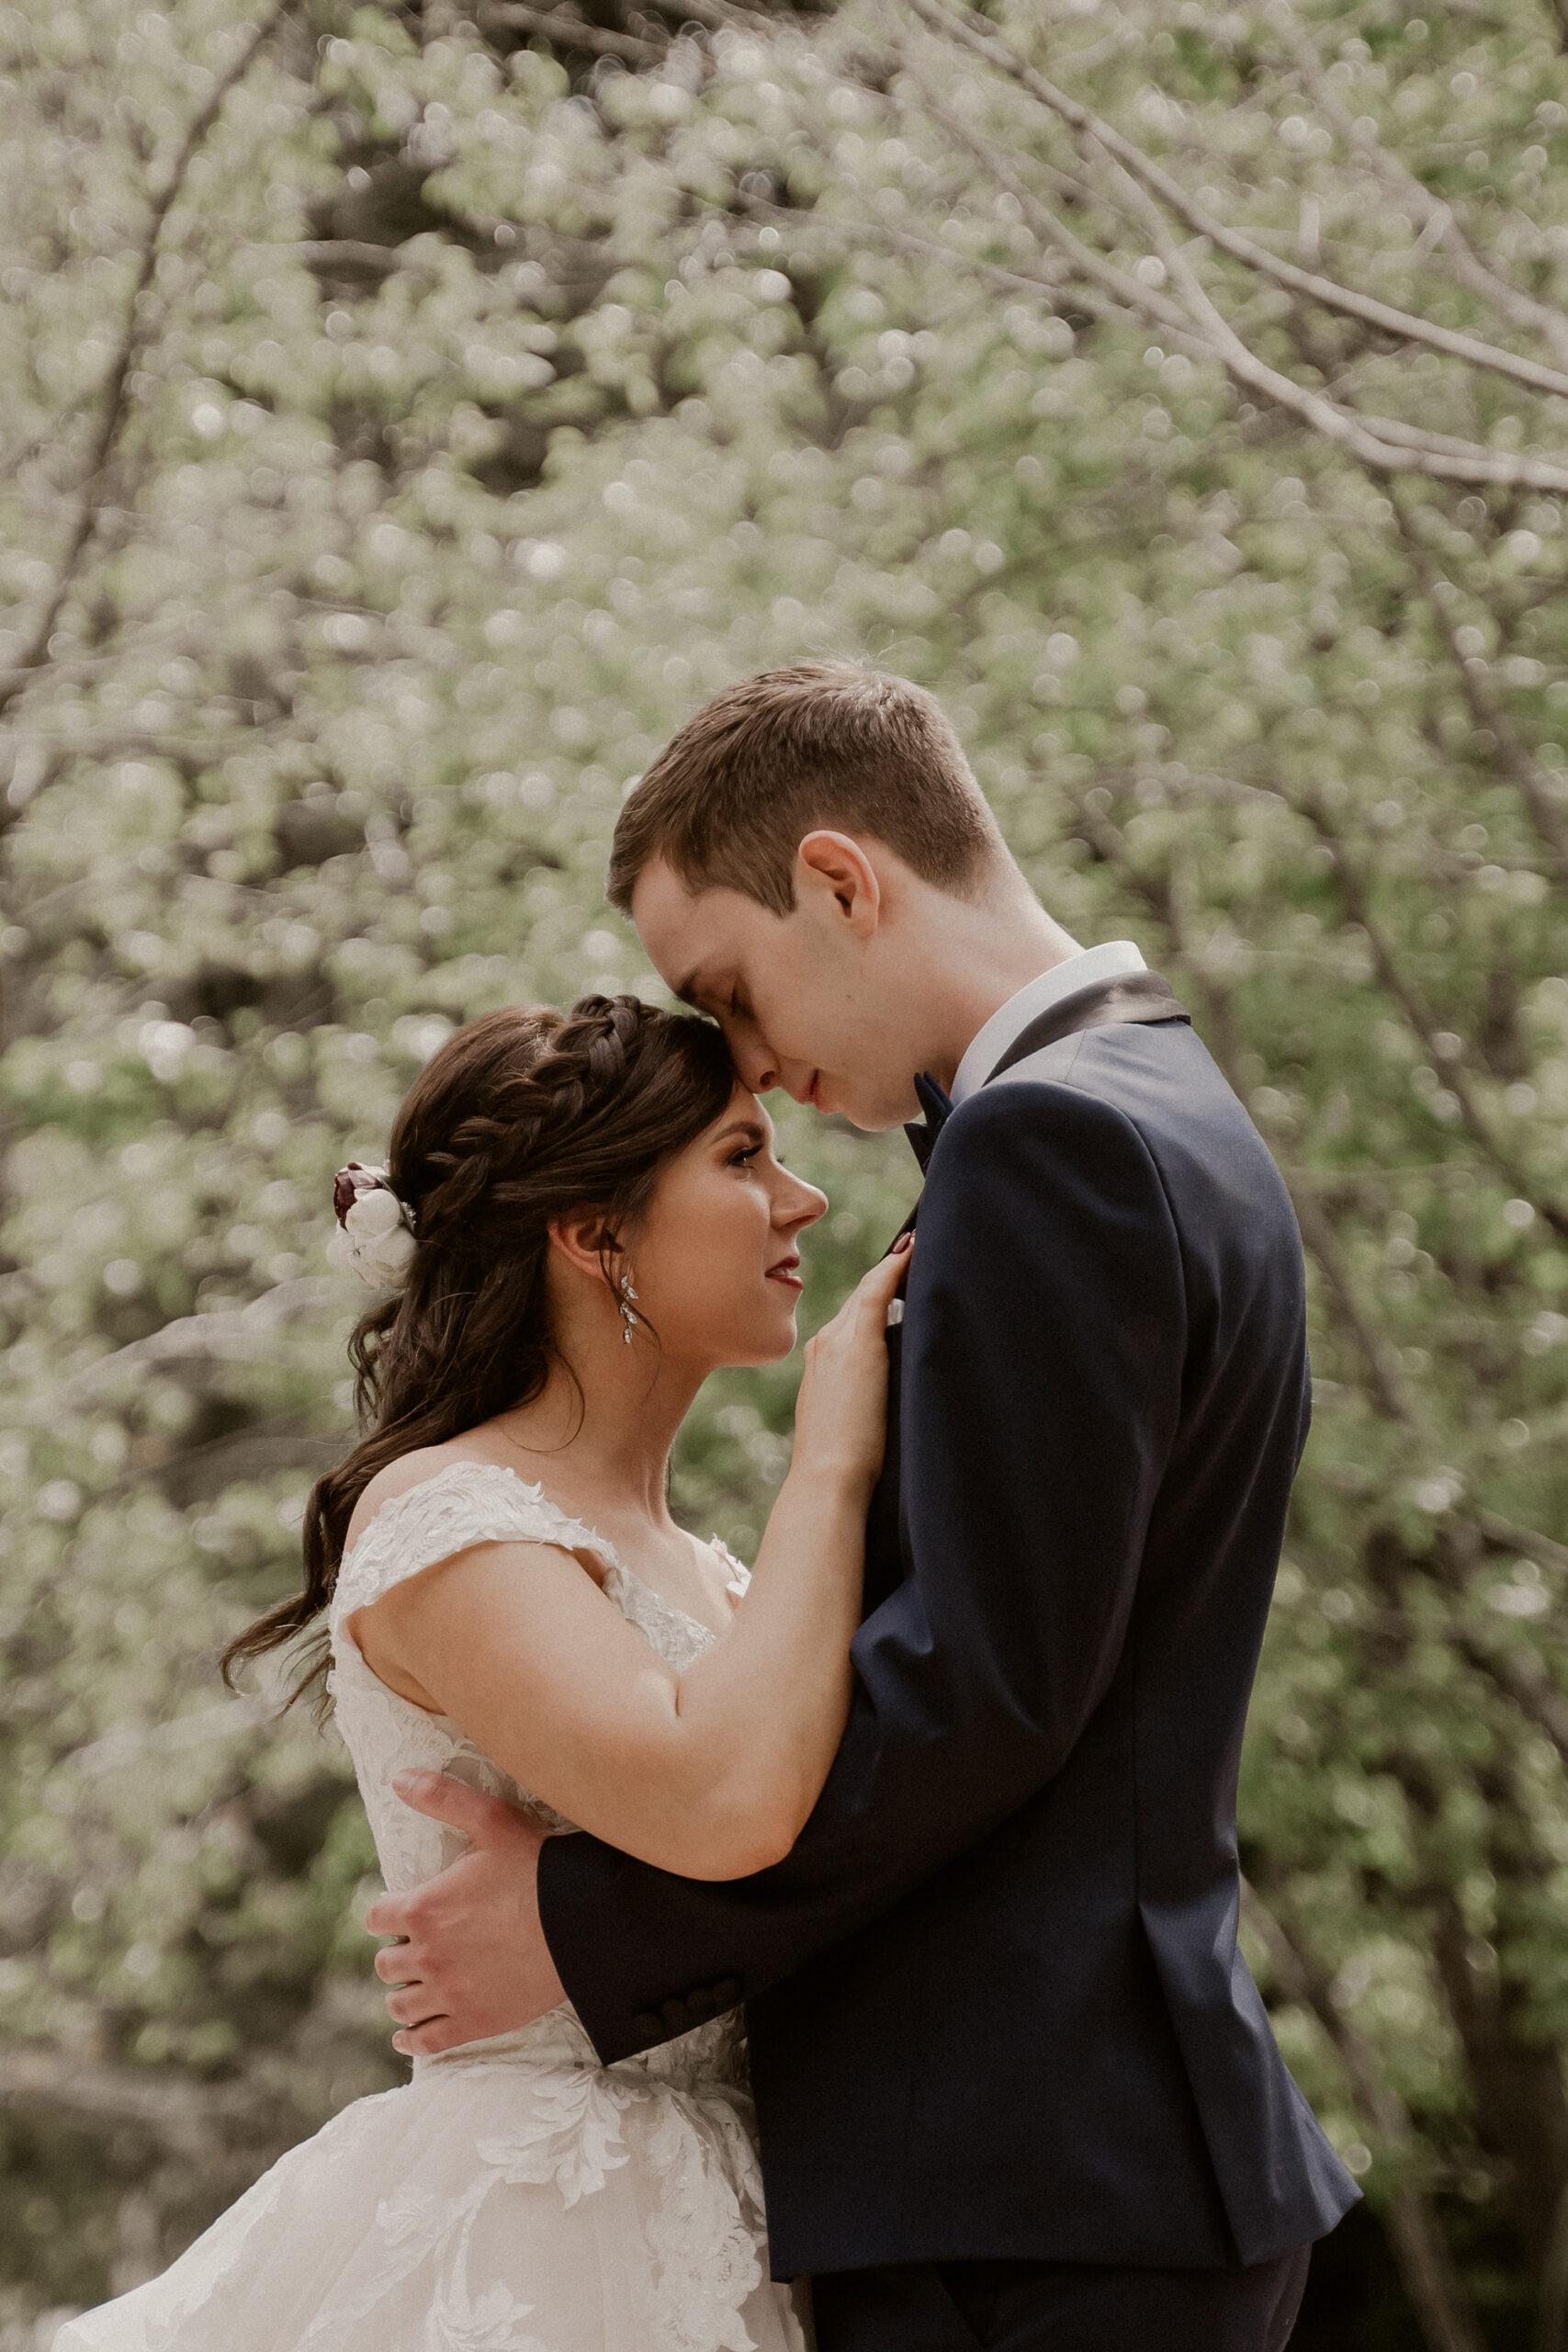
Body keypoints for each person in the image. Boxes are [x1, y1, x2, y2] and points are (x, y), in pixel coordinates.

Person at [368, 662, 1360, 2352]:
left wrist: (585, 1930)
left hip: (1030, 2172)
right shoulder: (1155, 1106)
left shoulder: (1051, 1144)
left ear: (841, 880)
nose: (745, 1059)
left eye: (730, 990)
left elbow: (984, 1688)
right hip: (1062, 2158)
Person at [54, 993, 908, 2352]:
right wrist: (834, 1457)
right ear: (591, 1231)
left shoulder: (713, 1570)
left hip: (759, 2218)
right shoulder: (450, 1519)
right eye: (743, 1159)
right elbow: (723, 1803)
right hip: (550, 2224)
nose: (801, 1201)